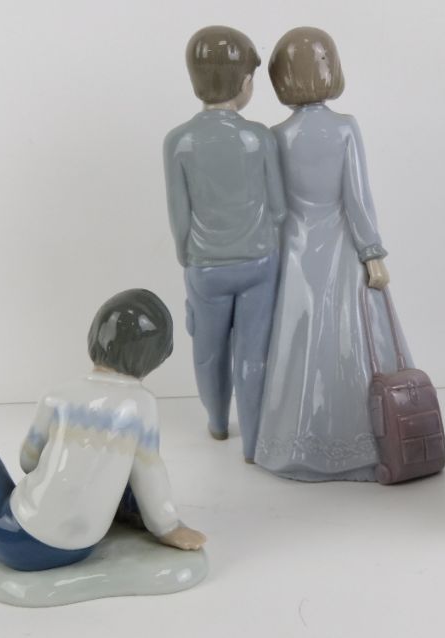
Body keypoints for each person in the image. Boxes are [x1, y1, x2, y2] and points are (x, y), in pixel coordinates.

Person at [0, 289, 206, 571]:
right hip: (84, 545)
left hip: (20, 540)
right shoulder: (141, 404)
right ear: (158, 356)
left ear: (94, 337)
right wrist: (169, 527)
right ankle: (133, 516)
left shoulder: (57, 397)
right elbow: (150, 470)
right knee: (128, 461)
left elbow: (28, 462)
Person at [254, 27, 410, 481]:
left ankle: (291, 441)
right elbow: (357, 198)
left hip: (296, 250)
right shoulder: (344, 128)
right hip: (341, 246)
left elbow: (275, 205)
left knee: (297, 340)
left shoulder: (276, 135)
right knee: (349, 340)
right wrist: (372, 251)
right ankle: (363, 442)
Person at [164, 26, 286, 462]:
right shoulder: (259, 137)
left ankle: (217, 422)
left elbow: (179, 215)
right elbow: (279, 208)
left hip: (205, 265)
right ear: (246, 82)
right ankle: (253, 443)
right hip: (259, 260)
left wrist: (187, 256)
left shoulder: (179, 141)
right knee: (254, 355)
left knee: (208, 352)